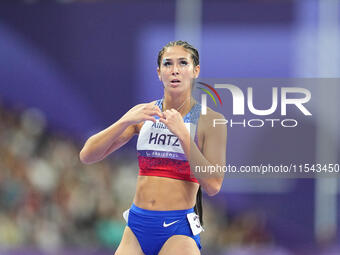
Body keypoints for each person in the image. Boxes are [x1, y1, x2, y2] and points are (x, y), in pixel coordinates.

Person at [79, 41, 227, 255]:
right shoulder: (144, 113)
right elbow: (87, 155)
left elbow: (213, 184)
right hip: (137, 227)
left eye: (183, 63)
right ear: (159, 73)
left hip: (177, 231)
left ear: (195, 71)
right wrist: (124, 121)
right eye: (168, 64)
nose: (175, 70)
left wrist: (185, 137)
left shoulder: (211, 120)